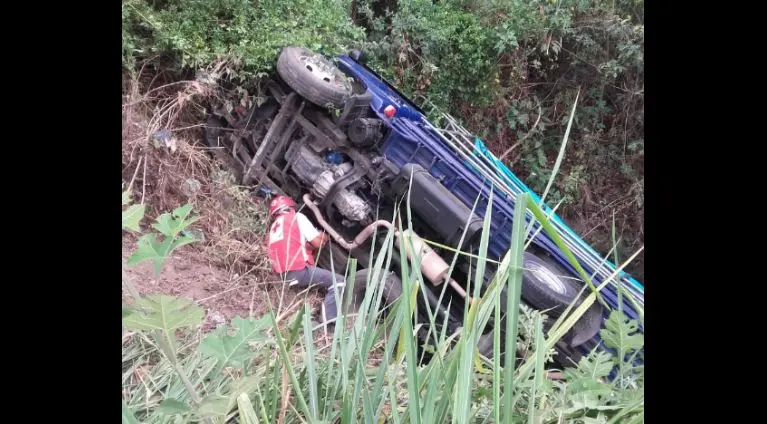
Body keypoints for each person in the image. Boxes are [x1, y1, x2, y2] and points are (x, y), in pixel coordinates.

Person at [266, 195, 345, 327]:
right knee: (339, 281)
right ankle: (328, 322)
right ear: (290, 207)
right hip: (297, 271)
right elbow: (318, 244)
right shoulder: (297, 217)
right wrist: (324, 236)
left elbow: (292, 246)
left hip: (281, 275)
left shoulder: (274, 228)